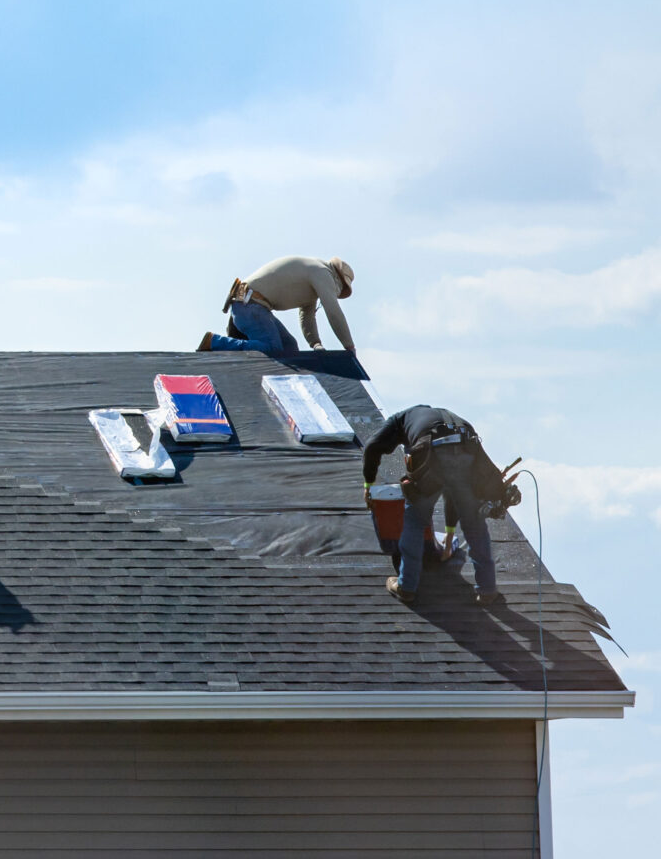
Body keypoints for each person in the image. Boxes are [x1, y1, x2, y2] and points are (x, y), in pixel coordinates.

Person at [362, 404, 517, 608]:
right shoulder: (447, 417)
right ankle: (487, 590)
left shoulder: (398, 421)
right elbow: (454, 490)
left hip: (432, 451)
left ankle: (406, 586)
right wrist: (450, 533)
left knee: (416, 519)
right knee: (474, 524)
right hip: (468, 449)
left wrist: (368, 484)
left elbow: (372, 446)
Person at [200, 256, 356, 354]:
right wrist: (349, 347)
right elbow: (334, 312)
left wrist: (316, 344)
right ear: (338, 279)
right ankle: (215, 342)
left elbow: (307, 315)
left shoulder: (314, 273)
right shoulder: (322, 273)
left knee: (289, 349)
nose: (336, 293)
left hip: (250, 304)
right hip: (249, 305)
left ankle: (234, 348)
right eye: (340, 289)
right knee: (273, 349)